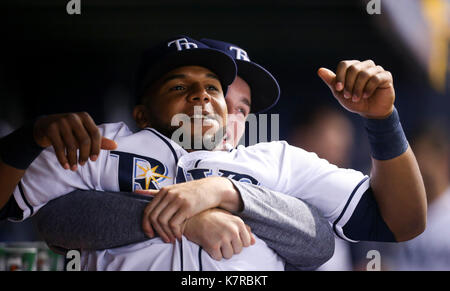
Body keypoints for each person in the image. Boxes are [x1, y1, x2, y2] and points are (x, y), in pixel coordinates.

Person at [0, 36, 427, 270]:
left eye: (213, 88)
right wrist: (28, 138)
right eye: (179, 87)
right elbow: (33, 211)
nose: (203, 97)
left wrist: (382, 119)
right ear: (141, 113)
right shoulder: (107, 144)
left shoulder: (275, 161)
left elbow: (401, 221)